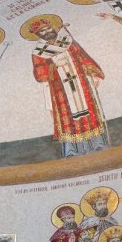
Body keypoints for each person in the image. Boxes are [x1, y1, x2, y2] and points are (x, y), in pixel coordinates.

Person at [28, 17, 108, 157]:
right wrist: (54, 65)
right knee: (69, 118)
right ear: (38, 35)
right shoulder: (38, 52)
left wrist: (93, 74)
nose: (47, 32)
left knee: (89, 112)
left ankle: (98, 144)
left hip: (81, 84)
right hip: (61, 91)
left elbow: (82, 56)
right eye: (43, 31)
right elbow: (39, 73)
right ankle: (73, 150)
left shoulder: (67, 42)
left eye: (48, 28)